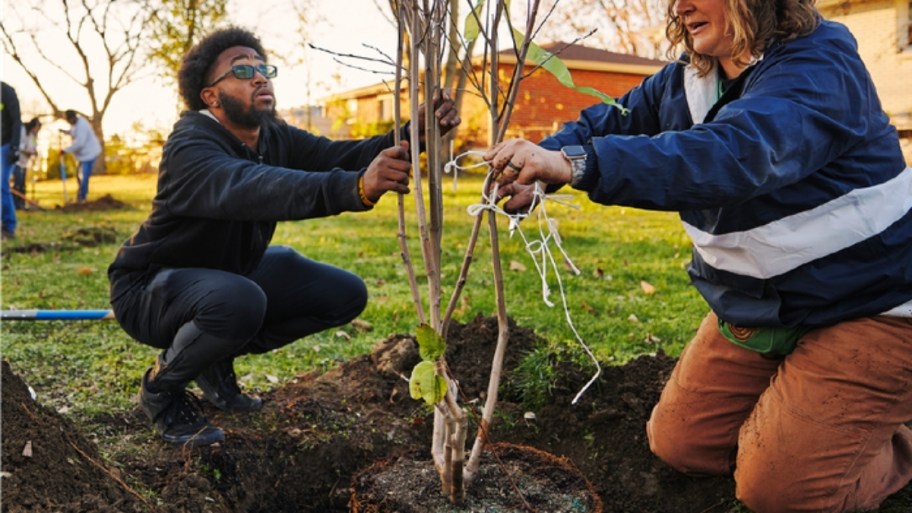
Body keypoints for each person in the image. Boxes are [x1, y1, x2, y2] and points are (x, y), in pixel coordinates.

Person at [485, 1, 912, 512]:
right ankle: (814, 417)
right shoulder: (686, 79)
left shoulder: (819, 64)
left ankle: (891, 436)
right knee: (683, 445)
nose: (679, 5)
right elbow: (608, 122)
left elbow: (735, 152)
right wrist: (541, 165)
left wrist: (575, 166)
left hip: (874, 303)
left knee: (777, 492)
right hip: (761, 302)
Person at [107, 26, 460, 447]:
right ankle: (161, 388)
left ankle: (211, 357)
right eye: (242, 70)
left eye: (262, 67)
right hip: (149, 289)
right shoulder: (190, 144)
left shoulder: (272, 135)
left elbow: (337, 154)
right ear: (210, 95)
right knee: (239, 300)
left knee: (343, 293)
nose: (259, 76)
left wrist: (412, 134)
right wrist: (355, 188)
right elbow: (252, 185)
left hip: (226, 277)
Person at [60, 109, 101, 203]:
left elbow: (79, 143)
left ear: (72, 118)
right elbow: (74, 132)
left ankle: (82, 197)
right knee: (79, 175)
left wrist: (65, 150)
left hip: (90, 153)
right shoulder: (75, 124)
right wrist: (66, 132)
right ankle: (81, 196)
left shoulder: (82, 125)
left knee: (84, 176)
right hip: (84, 155)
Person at [1, 81, 22, 239]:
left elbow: (16, 120)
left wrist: (15, 146)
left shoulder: (6, 91)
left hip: (6, 146)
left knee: (2, 186)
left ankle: (8, 227)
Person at [13, 118, 42, 209]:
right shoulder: (22, 130)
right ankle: (16, 204)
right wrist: (26, 150)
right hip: (17, 161)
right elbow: (18, 143)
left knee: (23, 184)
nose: (37, 130)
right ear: (33, 126)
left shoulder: (34, 136)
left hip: (25, 162)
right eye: (37, 128)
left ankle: (22, 203)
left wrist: (34, 151)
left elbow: (34, 145)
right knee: (18, 183)